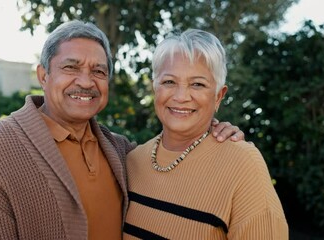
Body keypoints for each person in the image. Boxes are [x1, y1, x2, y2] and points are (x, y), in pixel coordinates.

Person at [0, 20, 244, 239]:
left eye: (99, 71)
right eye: (71, 67)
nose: (86, 81)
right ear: (44, 75)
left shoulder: (121, 151)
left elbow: (175, 162)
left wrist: (210, 131)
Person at [123, 29, 288, 239]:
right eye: (169, 82)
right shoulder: (131, 161)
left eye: (197, 84)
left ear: (218, 96)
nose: (181, 96)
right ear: (155, 88)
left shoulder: (244, 165)